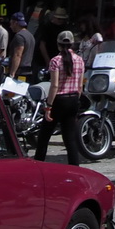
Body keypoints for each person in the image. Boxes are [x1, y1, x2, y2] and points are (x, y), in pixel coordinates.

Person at [35, 30, 86, 165]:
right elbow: (80, 86)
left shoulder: (55, 61)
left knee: (44, 136)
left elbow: (55, 85)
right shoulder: (80, 60)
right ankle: (74, 168)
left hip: (59, 99)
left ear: (58, 45)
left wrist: (49, 106)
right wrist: (76, 99)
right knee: (70, 139)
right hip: (74, 98)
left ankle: (38, 164)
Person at [5, 12, 35, 79]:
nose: (10, 26)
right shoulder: (30, 35)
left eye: (11, 24)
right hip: (28, 71)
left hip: (19, 72)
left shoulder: (19, 36)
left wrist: (12, 73)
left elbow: (18, 55)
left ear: (15, 23)